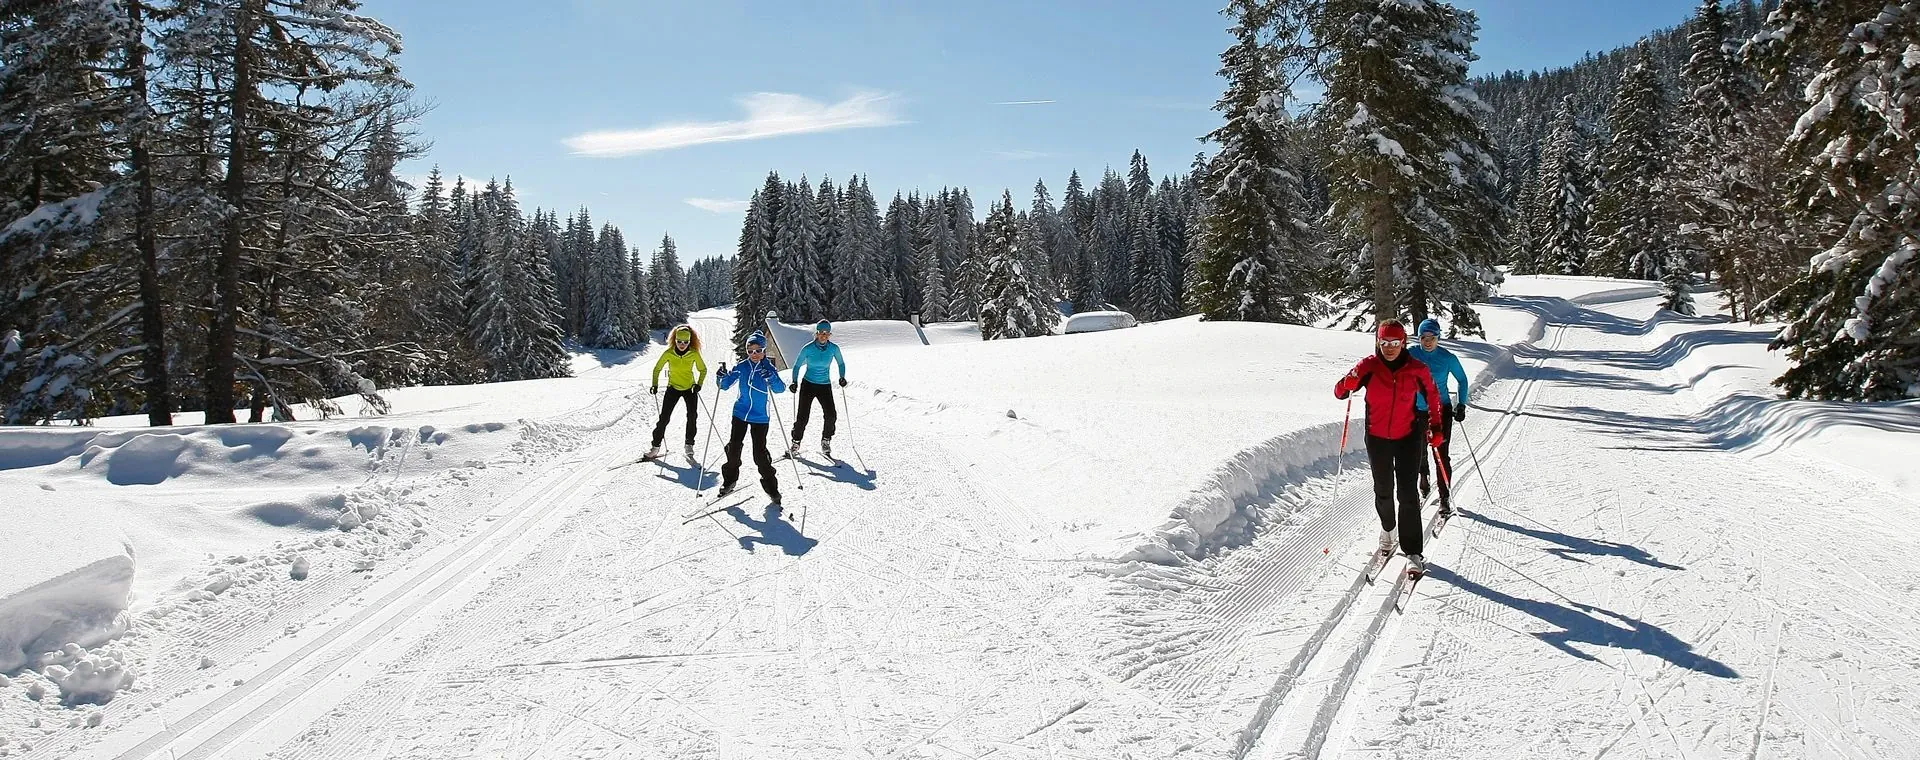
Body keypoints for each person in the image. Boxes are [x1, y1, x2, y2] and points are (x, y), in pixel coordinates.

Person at [1335, 320, 1446, 571]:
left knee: (1407, 494)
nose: (1390, 348)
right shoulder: (1369, 366)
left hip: (1408, 437)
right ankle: (1388, 530)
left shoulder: (1417, 368)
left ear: (1403, 343)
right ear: (1378, 342)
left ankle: (1413, 551)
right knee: (1383, 490)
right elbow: (1340, 392)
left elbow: (1434, 398)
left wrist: (1436, 427)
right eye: (1384, 342)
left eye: (1395, 343)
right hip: (1377, 439)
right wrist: (1347, 383)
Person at [715, 332, 787, 505]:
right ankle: (729, 480)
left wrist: (771, 378)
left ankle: (772, 488)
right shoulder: (742, 366)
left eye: (758, 350)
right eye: (750, 351)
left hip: (760, 417)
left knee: (759, 454)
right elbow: (724, 386)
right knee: (734, 448)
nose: (754, 354)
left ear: (764, 350)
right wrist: (720, 376)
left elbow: (780, 389)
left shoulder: (769, 368)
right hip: (740, 413)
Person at [1408, 318, 1469, 516]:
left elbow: (1462, 379)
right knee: (1417, 451)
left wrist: (1461, 404)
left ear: (1438, 337)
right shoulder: (1411, 354)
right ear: (1419, 338)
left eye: (1432, 337)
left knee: (1441, 454)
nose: (1428, 341)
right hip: (1416, 411)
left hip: (1441, 411)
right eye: (1424, 337)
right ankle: (1423, 477)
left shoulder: (1447, 357)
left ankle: (1444, 497)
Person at [786, 320, 848, 459]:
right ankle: (796, 443)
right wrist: (795, 382)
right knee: (802, 417)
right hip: (808, 384)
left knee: (831, 414)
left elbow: (841, 363)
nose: (823, 336)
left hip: (824, 385)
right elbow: (796, 366)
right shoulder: (808, 348)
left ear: (829, 334)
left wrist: (842, 377)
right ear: (817, 333)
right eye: (821, 333)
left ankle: (826, 441)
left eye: (826, 333)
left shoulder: (834, 349)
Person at [646, 324, 709, 462]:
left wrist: (699, 384)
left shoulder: (693, 353)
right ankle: (655, 447)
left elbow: (703, 370)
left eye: (685, 342)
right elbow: (657, 369)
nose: (682, 345)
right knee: (664, 418)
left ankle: (689, 445)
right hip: (673, 388)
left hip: (689, 389)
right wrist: (655, 384)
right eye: (679, 342)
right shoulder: (669, 353)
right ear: (675, 340)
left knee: (692, 417)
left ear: (689, 342)